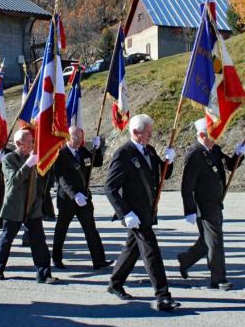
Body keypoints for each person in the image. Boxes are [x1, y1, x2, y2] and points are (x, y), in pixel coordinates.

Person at [104, 114, 180, 311]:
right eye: (147, 132)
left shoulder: (149, 150)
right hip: (135, 216)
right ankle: (163, 296)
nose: (150, 135)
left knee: (132, 250)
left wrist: (168, 162)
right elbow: (110, 187)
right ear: (136, 133)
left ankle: (115, 283)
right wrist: (125, 214)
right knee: (151, 252)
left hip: (147, 211)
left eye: (151, 132)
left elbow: (162, 175)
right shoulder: (123, 154)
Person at [178, 118, 245, 290]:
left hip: (216, 203)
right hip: (203, 205)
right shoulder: (194, 154)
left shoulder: (214, 149)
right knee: (215, 240)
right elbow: (187, 186)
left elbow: (230, 165)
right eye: (212, 133)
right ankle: (218, 278)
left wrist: (239, 153)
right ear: (201, 134)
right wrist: (190, 210)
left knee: (208, 240)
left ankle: (186, 259)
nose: (216, 136)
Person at [0, 129, 58, 283]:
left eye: (32, 141)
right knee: (6, 240)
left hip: (32, 206)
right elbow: (14, 180)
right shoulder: (9, 159)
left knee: (39, 242)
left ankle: (43, 274)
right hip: (14, 207)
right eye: (28, 141)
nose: (31, 144)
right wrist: (28, 165)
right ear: (18, 143)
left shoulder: (34, 158)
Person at [53, 126, 112, 270]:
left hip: (84, 198)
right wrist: (74, 195)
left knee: (91, 229)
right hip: (67, 199)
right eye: (75, 137)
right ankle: (56, 259)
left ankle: (99, 261)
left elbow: (96, 163)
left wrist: (97, 149)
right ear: (68, 137)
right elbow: (61, 179)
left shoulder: (82, 151)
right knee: (61, 230)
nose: (79, 140)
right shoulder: (61, 154)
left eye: (80, 137)